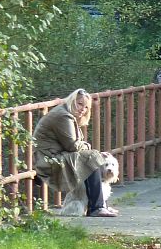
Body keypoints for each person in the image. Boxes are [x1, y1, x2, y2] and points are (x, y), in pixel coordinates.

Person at [32, 88, 119, 217]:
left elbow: (74, 146)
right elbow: (72, 145)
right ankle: (97, 207)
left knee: (92, 157)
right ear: (72, 101)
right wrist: (92, 151)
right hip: (48, 159)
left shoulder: (66, 113)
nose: (82, 109)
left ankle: (99, 205)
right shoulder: (63, 116)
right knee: (92, 158)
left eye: (86, 107)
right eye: (79, 104)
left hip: (54, 155)